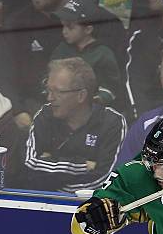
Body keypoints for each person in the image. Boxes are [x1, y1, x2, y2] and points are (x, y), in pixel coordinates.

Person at [0, 0, 75, 132]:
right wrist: (19, 111)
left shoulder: (87, 20)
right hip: (29, 112)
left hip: (77, 114)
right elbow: (1, 75)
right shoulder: (18, 24)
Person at [22, 58, 126, 193]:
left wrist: (49, 165)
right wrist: (82, 165)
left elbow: (105, 180)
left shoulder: (112, 122)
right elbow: (29, 165)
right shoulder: (45, 115)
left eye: (57, 92)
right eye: (48, 90)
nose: (50, 98)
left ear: (81, 96)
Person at [51, 0, 122, 107]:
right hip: (60, 105)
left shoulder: (103, 54)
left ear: (88, 29)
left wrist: (98, 99)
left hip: (93, 109)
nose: (64, 31)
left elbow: (112, 86)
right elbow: (49, 75)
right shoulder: (61, 50)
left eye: (70, 27)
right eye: (63, 25)